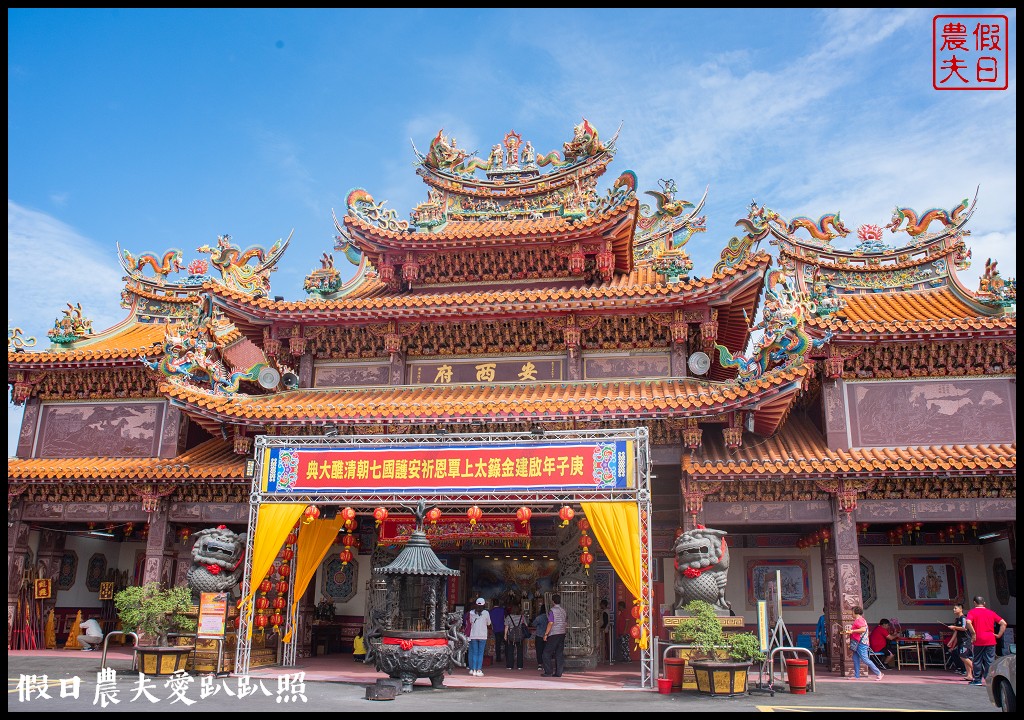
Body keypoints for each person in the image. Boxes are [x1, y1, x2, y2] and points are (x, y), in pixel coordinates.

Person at [964, 596, 1006, 686]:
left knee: (977, 660)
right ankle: (989, 680)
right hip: (990, 639)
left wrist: (973, 633)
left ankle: (977, 680)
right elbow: (1003, 623)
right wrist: (999, 635)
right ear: (984, 603)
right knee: (989, 661)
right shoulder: (991, 612)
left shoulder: (972, 612)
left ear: (974, 603)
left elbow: (968, 622)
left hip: (978, 639)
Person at [841, 606, 883, 680]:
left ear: (855, 612)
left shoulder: (858, 620)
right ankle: (856, 676)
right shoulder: (861, 620)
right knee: (855, 658)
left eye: (852, 612)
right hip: (858, 642)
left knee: (865, 659)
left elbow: (863, 629)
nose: (851, 614)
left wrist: (852, 631)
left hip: (861, 643)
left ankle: (878, 673)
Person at [541, 593, 568, 677]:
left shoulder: (552, 610)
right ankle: (559, 672)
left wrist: (546, 634)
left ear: (552, 601)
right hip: (562, 633)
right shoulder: (563, 610)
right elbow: (566, 622)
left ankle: (548, 671)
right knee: (559, 653)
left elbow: (551, 622)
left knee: (546, 653)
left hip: (554, 633)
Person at [466, 597, 492, 677]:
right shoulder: (486, 613)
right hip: (482, 635)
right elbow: (489, 623)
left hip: (473, 635)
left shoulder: (471, 613)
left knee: (474, 653)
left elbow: (470, 622)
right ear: (484, 605)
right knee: (480, 654)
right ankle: (478, 670)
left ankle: (473, 670)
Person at [945, 603, 972, 678]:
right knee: (964, 657)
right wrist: (951, 641)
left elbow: (964, 628)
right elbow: (956, 632)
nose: (954, 610)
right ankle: (969, 675)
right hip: (960, 640)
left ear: (961, 609)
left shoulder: (963, 618)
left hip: (965, 640)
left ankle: (976, 670)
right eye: (953, 608)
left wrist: (954, 627)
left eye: (955, 608)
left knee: (963, 656)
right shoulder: (957, 620)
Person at [504, 602, 529, 670]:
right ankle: (519, 666)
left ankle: (510, 665)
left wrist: (505, 635)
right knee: (520, 651)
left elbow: (506, 627)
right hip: (520, 635)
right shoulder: (522, 617)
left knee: (510, 650)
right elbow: (526, 625)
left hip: (511, 635)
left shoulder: (508, 617)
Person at [489, 599, 505, 664]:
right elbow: (505, 619)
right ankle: (508, 657)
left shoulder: (491, 611)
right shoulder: (502, 610)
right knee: (506, 644)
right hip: (503, 629)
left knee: (498, 644)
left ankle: (498, 658)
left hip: (496, 629)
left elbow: (489, 622)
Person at [532, 604, 548, 670]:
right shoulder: (549, 617)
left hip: (539, 635)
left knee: (539, 650)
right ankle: (546, 664)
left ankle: (539, 665)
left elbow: (533, 624)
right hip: (547, 636)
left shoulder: (539, 617)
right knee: (546, 651)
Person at [598, 598, 610, 663]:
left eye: (601, 604)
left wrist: (602, 628)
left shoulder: (605, 612)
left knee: (605, 644)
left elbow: (605, 621)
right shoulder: (606, 611)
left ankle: (606, 656)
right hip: (605, 629)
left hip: (604, 630)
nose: (600, 605)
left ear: (603, 604)